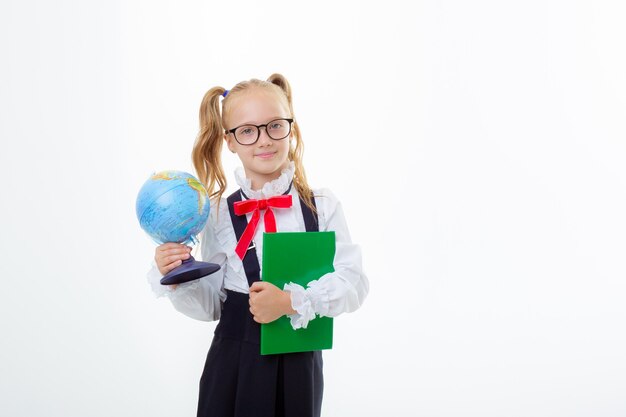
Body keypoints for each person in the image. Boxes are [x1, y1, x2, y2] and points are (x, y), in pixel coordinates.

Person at [147, 73, 369, 417]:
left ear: (290, 129)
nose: (264, 140)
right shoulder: (217, 212)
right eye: (248, 131)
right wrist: (177, 276)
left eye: (274, 126)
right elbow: (212, 306)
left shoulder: (321, 204)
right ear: (230, 141)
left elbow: (354, 282)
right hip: (234, 361)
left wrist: (293, 301)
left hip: (299, 361)